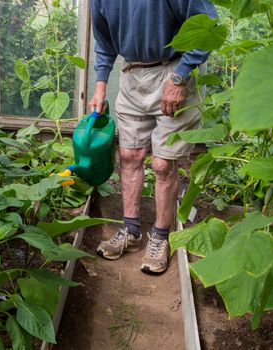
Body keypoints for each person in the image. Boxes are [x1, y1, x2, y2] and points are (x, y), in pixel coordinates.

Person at [89, 0, 218, 274]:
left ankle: (160, 236)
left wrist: (181, 76)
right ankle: (131, 231)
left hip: (172, 73)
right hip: (132, 74)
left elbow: (208, 24)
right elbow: (104, 41)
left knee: (163, 164)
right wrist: (100, 85)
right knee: (129, 155)